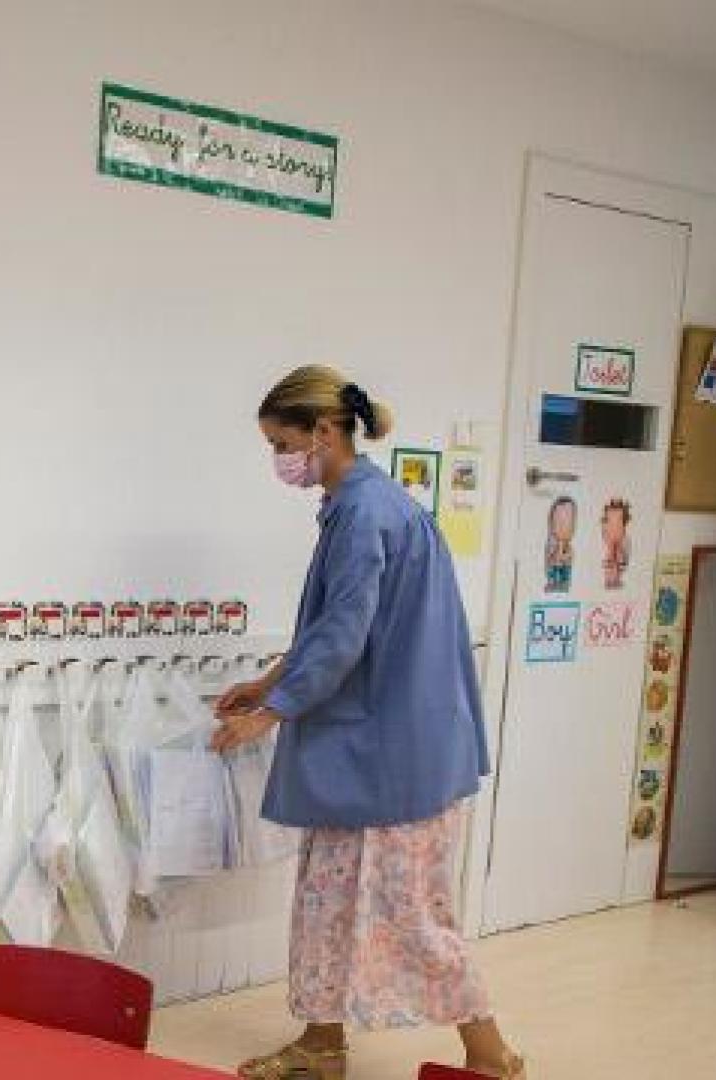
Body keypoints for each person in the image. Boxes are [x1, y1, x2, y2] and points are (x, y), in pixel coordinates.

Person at [212, 366, 523, 1079]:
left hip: (391, 753)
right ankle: (321, 1045)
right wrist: (267, 683)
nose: (279, 461)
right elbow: (333, 624)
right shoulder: (366, 504)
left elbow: (343, 637)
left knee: (410, 911)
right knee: (326, 899)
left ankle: (492, 1056)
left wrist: (271, 714)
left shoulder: (363, 515)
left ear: (323, 432)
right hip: (375, 745)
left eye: (281, 444)